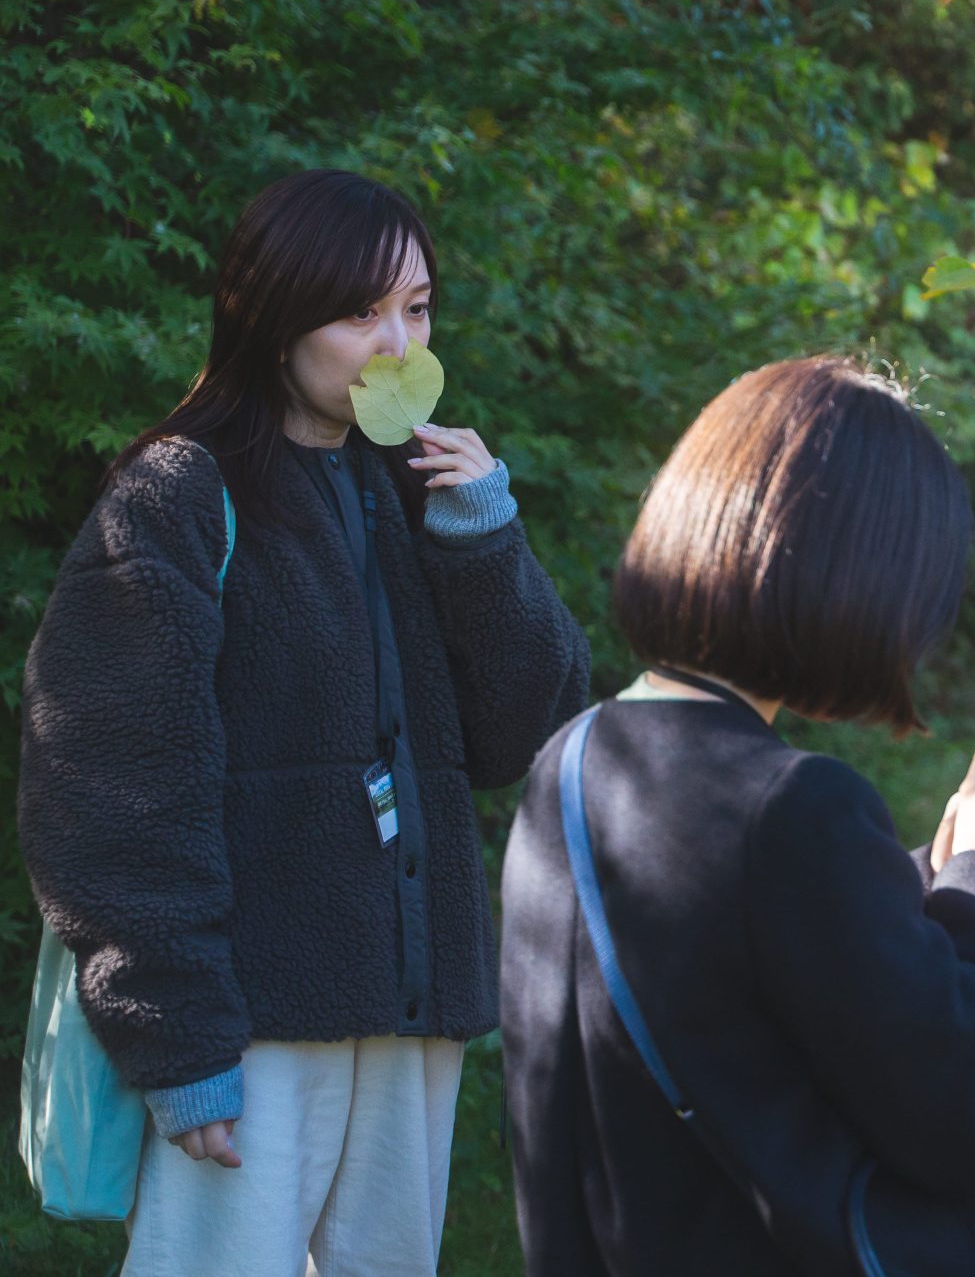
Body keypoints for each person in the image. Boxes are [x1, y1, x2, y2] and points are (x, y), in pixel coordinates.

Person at [18, 168, 591, 1275]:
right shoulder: (178, 494)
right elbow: (110, 790)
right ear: (275, 318)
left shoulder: (417, 484)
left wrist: (485, 534)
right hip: (248, 1032)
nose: (398, 344)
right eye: (360, 310)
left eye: (417, 308)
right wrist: (177, 1037)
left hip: (409, 1017)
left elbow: (531, 730)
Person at [500, 356, 975, 1275]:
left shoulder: (573, 761)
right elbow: (974, 1118)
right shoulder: (795, 806)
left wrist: (933, 871)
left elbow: (755, 984)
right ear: (853, 573)